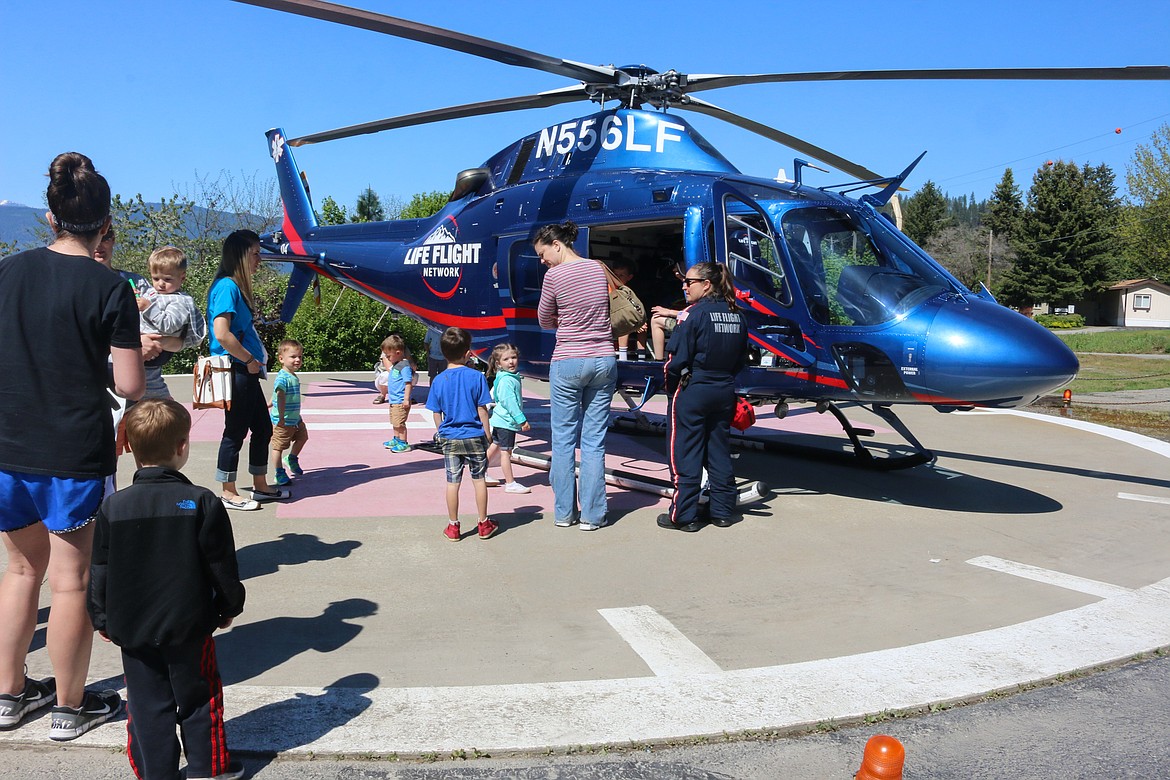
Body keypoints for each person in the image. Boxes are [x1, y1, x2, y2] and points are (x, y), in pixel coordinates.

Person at [0, 152, 145, 739]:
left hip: (7, 444)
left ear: (52, 216)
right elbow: (131, 385)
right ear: (105, 225)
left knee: (18, 573)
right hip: (73, 451)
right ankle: (69, 704)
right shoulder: (111, 287)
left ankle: (8, 697)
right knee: (71, 581)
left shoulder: (7, 272)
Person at [88, 399, 245, 780]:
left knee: (145, 703)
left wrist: (101, 616)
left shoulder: (114, 507)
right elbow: (220, 564)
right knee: (200, 697)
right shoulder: (202, 501)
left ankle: (156, 771)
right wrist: (228, 605)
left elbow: (100, 568)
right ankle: (209, 769)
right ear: (182, 446)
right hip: (189, 624)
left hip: (133, 627)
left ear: (130, 447)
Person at [535, 221, 616, 531]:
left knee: (564, 441)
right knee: (594, 442)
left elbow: (544, 319)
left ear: (557, 245)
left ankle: (564, 514)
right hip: (604, 359)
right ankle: (593, 516)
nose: (543, 261)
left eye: (543, 254)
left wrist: (563, 318)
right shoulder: (597, 268)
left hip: (568, 360)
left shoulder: (554, 276)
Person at [657, 262, 749, 533]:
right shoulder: (738, 314)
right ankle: (722, 511)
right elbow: (741, 358)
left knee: (684, 452)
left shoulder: (692, 314)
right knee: (718, 450)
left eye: (689, 281)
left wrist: (670, 389)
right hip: (724, 389)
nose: (684, 286)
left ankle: (683, 515)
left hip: (694, 388)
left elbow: (675, 360)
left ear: (706, 284)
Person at [208, 229, 287, 511]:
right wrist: (249, 360)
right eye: (255, 253)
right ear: (241, 255)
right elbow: (222, 334)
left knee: (262, 428)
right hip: (236, 369)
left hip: (246, 371)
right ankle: (228, 491)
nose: (259, 260)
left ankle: (260, 484)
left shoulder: (234, 287)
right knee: (235, 431)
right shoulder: (228, 287)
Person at [425, 327, 497, 542]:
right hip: (474, 435)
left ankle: (453, 526)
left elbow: (436, 412)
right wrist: (487, 433)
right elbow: (482, 409)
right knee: (479, 480)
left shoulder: (439, 380)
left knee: (452, 483)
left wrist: (441, 431)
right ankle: (484, 523)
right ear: (468, 354)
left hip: (451, 437)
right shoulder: (477, 377)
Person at [93, 229, 178, 399]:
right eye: (95, 238)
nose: (100, 245)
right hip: (103, 386)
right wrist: (133, 346)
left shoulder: (136, 282)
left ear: (113, 240)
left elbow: (171, 330)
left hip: (149, 383)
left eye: (106, 238)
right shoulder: (79, 285)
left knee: (173, 421)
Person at [138, 245, 207, 375]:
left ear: (182, 278)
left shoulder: (179, 301)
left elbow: (169, 326)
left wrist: (148, 307)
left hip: (157, 351)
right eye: (156, 278)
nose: (161, 284)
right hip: (143, 344)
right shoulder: (152, 294)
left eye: (167, 279)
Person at [483, 343, 532, 493]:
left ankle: (480, 472)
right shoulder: (507, 380)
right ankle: (510, 483)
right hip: (506, 422)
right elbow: (509, 402)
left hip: (499, 420)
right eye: (506, 359)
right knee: (506, 452)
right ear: (498, 363)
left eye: (514, 357)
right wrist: (521, 420)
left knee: (495, 446)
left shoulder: (505, 377)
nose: (511, 361)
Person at [270, 338, 308, 487]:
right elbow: (279, 394)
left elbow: (275, 394)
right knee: (278, 447)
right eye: (293, 357)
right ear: (281, 358)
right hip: (283, 420)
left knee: (303, 437)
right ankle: (279, 473)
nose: (297, 360)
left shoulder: (293, 376)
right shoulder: (282, 377)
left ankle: (291, 458)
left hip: (295, 419)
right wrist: (280, 417)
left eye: (300, 356)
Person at [378, 334, 414, 453]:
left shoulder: (404, 366)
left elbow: (408, 383)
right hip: (394, 400)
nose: (387, 359)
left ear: (398, 353)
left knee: (400, 423)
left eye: (389, 356)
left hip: (400, 400)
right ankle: (396, 438)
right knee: (394, 421)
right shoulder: (396, 365)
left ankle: (403, 442)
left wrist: (406, 399)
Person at [604, 257, 642, 361]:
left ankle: (642, 357)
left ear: (629, 277)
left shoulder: (628, 291)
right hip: (608, 319)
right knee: (623, 322)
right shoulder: (607, 287)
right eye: (615, 275)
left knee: (642, 325)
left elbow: (634, 308)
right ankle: (623, 357)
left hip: (620, 318)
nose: (617, 278)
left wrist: (640, 323)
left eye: (621, 275)